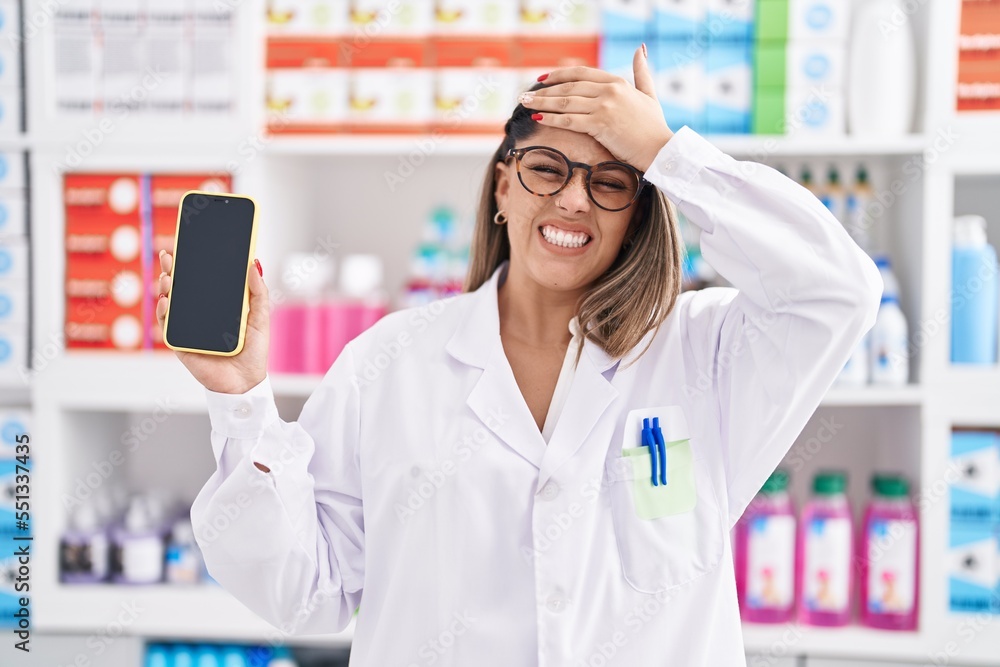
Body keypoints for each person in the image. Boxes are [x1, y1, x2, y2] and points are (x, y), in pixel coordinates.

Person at [156, 46, 882, 665]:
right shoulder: (388, 363)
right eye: (545, 169)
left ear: (637, 212)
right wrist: (242, 400)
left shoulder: (703, 353)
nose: (573, 200)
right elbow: (303, 591)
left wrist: (667, 152)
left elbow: (836, 290)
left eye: (609, 182)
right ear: (503, 186)